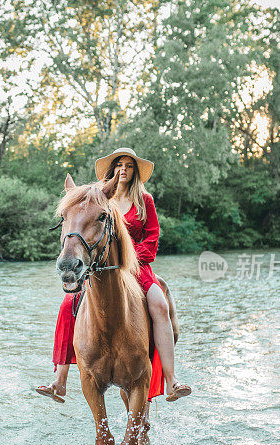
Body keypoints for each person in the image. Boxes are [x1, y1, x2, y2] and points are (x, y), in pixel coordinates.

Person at [37, 147, 191, 405]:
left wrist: (130, 257)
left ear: (135, 173)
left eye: (129, 166)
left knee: (160, 305)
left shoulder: (145, 201)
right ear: (112, 169)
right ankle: (60, 380)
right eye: (119, 164)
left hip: (138, 267)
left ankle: (172, 378)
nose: (123, 169)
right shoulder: (99, 198)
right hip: (101, 267)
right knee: (67, 305)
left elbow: (152, 238)